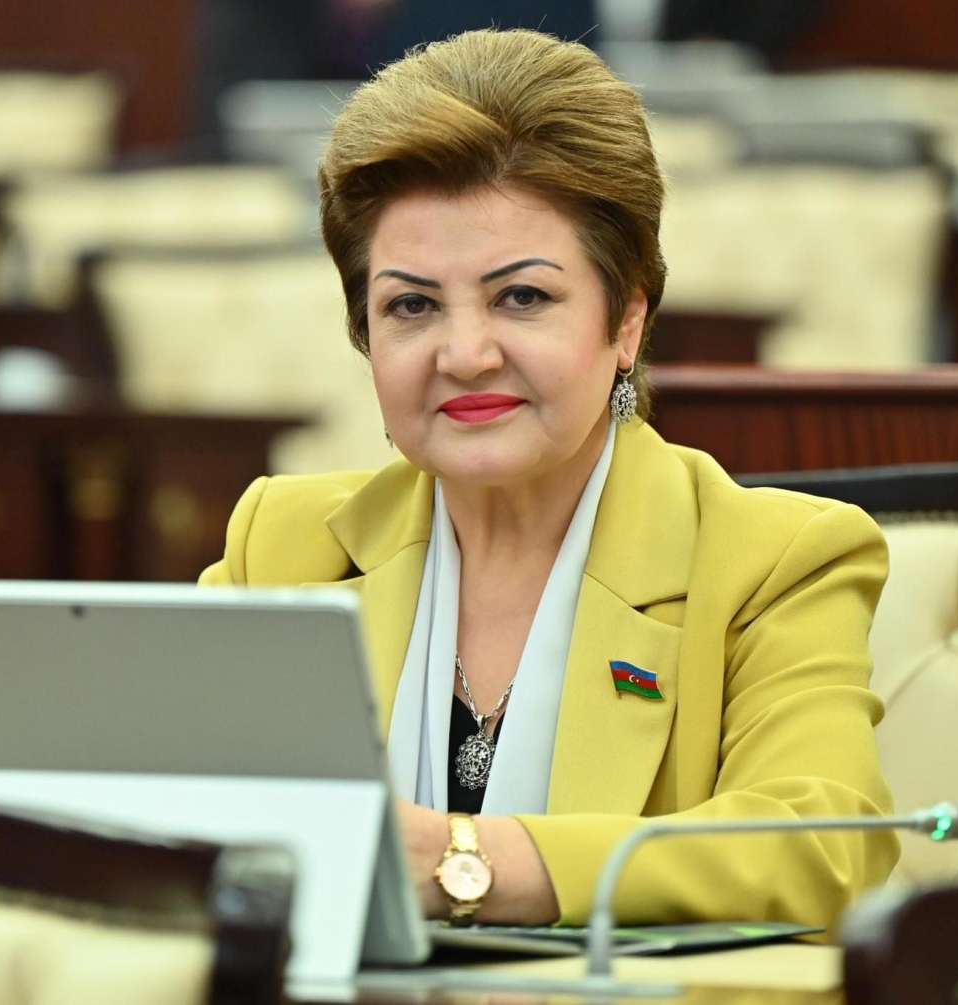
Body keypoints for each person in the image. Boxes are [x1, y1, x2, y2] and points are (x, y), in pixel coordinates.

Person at [200, 28, 898, 929]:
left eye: (521, 296)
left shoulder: (775, 561)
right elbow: (168, 816)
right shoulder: (281, 544)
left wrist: (467, 865)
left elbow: (824, 842)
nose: (464, 353)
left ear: (627, 322)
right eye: (412, 305)